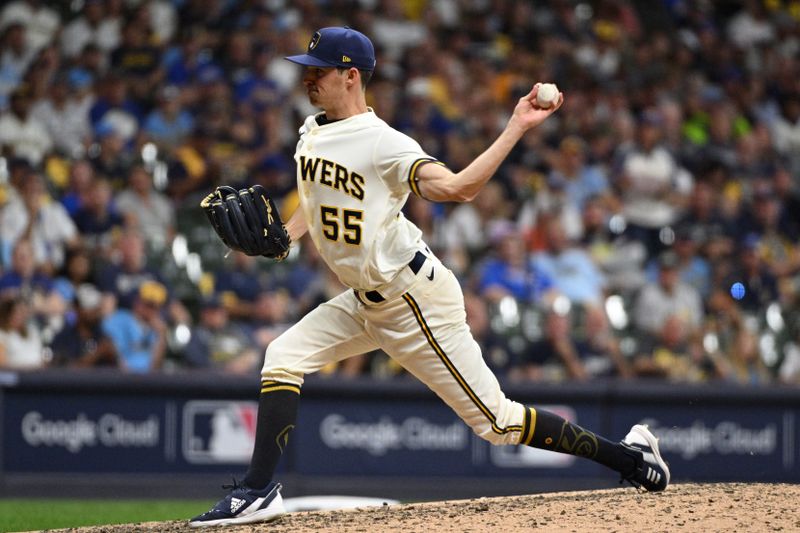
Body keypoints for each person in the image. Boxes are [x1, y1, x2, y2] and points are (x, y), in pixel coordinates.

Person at [190, 27, 669, 527]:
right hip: (362, 301)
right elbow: (316, 204)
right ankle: (258, 490)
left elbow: (459, 188)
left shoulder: (385, 145)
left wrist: (516, 126)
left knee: (498, 423)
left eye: (320, 71)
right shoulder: (311, 131)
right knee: (283, 356)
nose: (308, 78)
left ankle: (632, 458)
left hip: (415, 299)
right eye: (307, 69)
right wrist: (285, 236)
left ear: (352, 76)